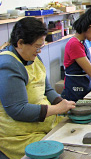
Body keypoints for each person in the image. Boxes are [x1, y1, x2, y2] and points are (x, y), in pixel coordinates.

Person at [0, 17, 76, 159]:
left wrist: (61, 102)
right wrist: (57, 109)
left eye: (41, 46)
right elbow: (18, 110)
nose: (39, 51)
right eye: (37, 46)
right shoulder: (8, 65)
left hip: (41, 125)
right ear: (20, 43)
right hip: (18, 135)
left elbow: (46, 89)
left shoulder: (32, 57)